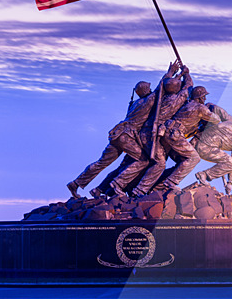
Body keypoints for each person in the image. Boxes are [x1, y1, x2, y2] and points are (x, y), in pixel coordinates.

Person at [67, 61, 180, 198]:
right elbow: (160, 88)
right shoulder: (147, 102)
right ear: (146, 91)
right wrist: (170, 72)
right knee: (143, 160)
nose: (151, 90)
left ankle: (76, 183)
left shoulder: (134, 103)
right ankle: (117, 184)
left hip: (117, 134)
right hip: (126, 136)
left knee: (101, 162)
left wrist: (175, 76)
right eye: (149, 89)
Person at [111, 64, 192, 195]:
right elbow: (188, 86)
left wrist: (174, 74)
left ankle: (120, 187)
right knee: (159, 163)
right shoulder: (174, 100)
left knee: (145, 161)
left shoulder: (160, 97)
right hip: (151, 135)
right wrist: (186, 74)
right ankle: (133, 188)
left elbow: (163, 85)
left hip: (142, 134)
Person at [146, 86, 221, 193]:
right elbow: (215, 119)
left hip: (167, 131)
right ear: (199, 97)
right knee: (194, 158)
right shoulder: (200, 108)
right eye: (203, 96)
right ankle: (171, 182)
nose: (205, 99)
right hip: (175, 134)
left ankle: (157, 186)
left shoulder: (187, 104)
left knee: (182, 161)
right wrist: (211, 108)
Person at [193, 121, 232, 195]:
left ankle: (204, 174)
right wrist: (230, 182)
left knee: (226, 160)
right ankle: (204, 174)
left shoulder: (231, 124)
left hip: (199, 140)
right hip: (205, 148)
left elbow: (216, 127)